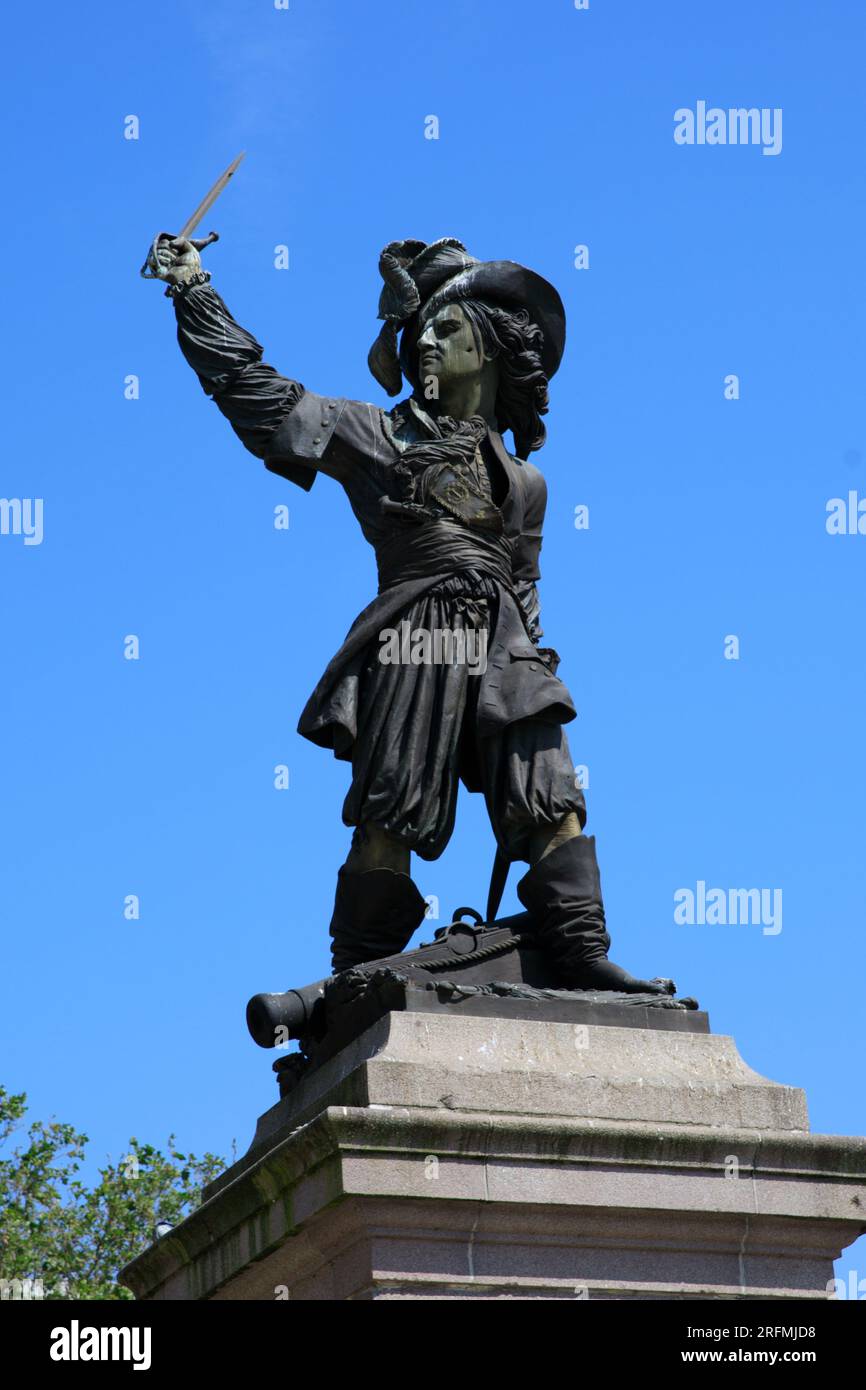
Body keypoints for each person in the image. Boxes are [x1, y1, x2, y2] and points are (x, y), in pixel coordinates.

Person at [147, 233, 671, 995]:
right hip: (417, 632)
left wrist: (533, 660)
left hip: (505, 642)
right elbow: (258, 397)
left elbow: (524, 586)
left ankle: (581, 946)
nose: (425, 338)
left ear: (488, 350)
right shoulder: (376, 434)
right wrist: (194, 292)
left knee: (552, 797)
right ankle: (354, 978)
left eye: (445, 327)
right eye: (420, 326)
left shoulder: (526, 483)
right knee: (394, 815)